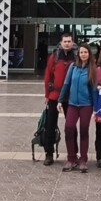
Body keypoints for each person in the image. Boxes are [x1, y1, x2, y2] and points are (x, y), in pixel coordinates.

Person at [57, 45, 96, 173]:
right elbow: (66, 84)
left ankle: (83, 160)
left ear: (89, 54)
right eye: (81, 52)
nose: (83, 54)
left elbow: (94, 90)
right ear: (78, 54)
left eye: (85, 52)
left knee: (84, 131)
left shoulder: (92, 69)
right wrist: (60, 100)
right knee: (68, 129)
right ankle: (71, 158)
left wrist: (95, 108)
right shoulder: (72, 67)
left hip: (86, 105)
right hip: (72, 104)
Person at [40, 31, 76, 165]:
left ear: (72, 42)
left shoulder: (76, 56)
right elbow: (48, 76)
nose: (67, 43)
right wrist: (47, 95)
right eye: (65, 41)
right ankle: (48, 154)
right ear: (61, 43)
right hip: (54, 96)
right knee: (50, 125)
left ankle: (73, 153)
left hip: (71, 97)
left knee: (71, 127)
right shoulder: (54, 56)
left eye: (69, 41)